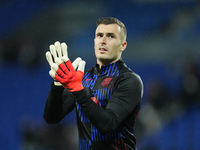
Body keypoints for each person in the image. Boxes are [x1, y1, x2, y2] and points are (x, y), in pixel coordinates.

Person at [44, 17, 143, 150]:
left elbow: (107, 125)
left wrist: (78, 89)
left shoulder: (129, 80)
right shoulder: (82, 77)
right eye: (99, 35)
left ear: (122, 45)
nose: (103, 40)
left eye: (111, 36)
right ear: (94, 41)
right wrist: (57, 85)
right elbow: (52, 117)